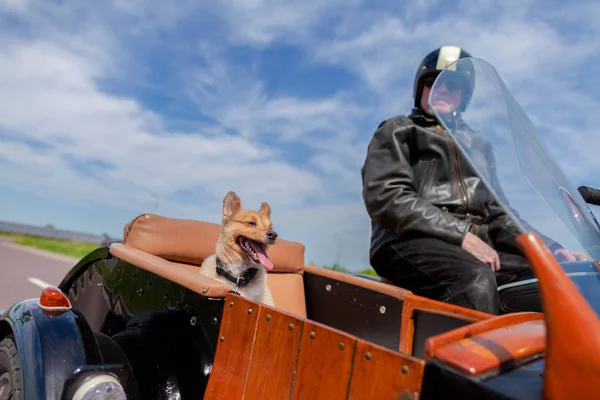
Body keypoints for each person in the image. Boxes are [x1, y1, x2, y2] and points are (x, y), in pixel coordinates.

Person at [360, 45, 587, 314]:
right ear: (420, 88)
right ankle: (466, 355)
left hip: (477, 244)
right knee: (474, 279)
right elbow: (388, 197)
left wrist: (550, 250)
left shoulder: (477, 146)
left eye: (454, 85)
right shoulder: (398, 130)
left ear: (463, 97)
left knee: (564, 277)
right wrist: (461, 236)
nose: (443, 90)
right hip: (406, 240)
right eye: (434, 83)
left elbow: (499, 215)